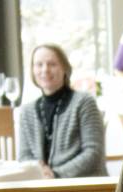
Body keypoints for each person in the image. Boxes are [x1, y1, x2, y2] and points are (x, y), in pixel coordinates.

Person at [18, 44, 106, 178]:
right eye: (39, 64)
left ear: (65, 68)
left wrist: (56, 174)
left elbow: (94, 153)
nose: (45, 70)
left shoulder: (84, 102)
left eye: (52, 64)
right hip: (41, 186)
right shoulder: (26, 112)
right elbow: (24, 156)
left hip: (82, 186)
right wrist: (40, 173)